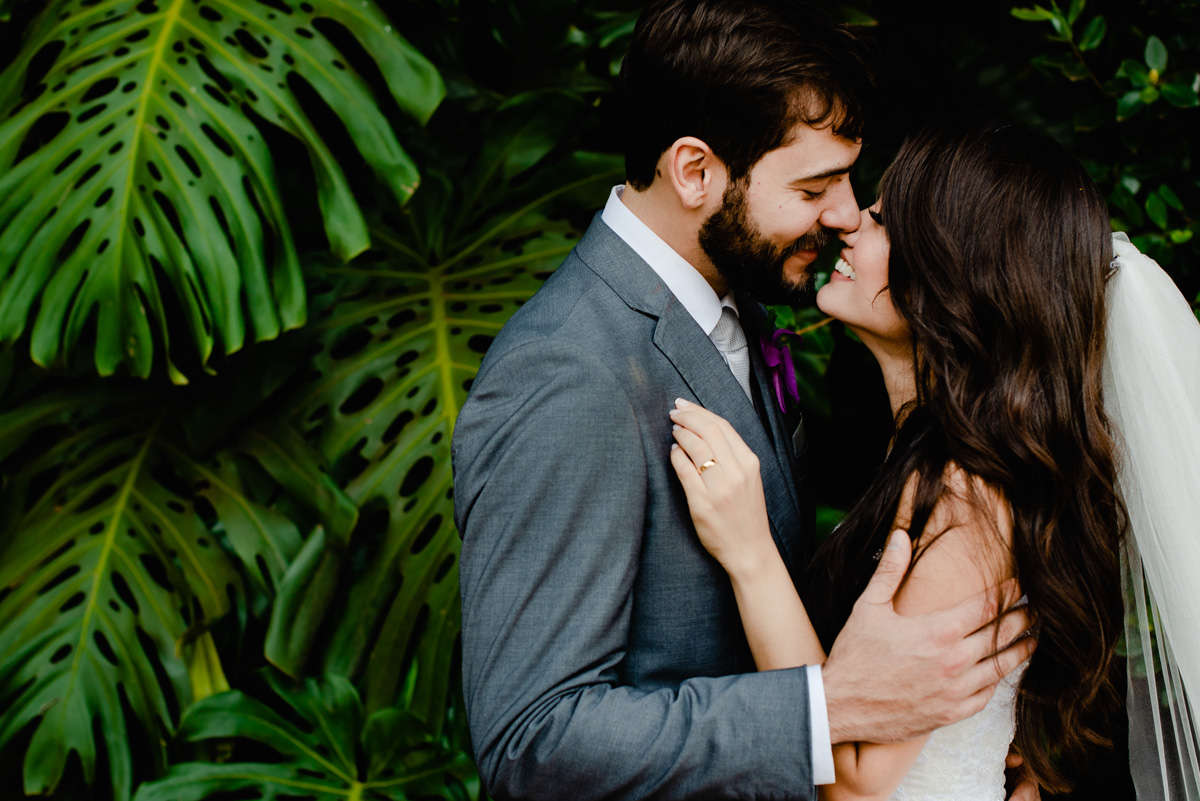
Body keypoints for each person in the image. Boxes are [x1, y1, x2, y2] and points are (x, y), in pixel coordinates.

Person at [452, 3, 1036, 799]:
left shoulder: (744, 305)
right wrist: (822, 711)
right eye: (815, 185)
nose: (844, 212)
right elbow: (532, 741)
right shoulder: (568, 372)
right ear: (695, 172)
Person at [669, 122, 1200, 800]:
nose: (849, 224)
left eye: (885, 220)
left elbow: (858, 785)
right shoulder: (937, 461)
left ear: (954, 274)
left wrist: (749, 553)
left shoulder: (970, 497)